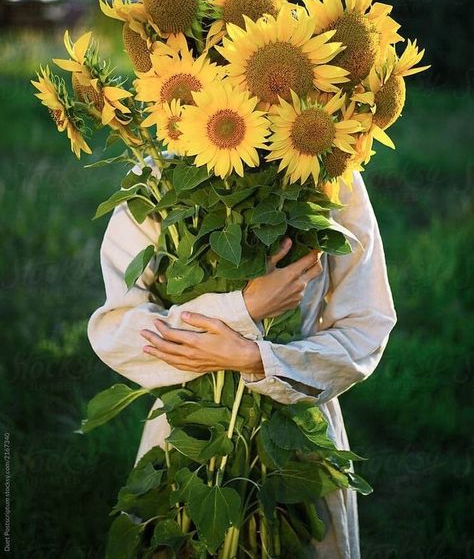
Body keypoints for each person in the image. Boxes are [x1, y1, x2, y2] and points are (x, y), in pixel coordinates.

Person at [87, 157, 397, 558]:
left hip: (296, 422)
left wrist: (258, 359)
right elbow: (117, 330)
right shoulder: (159, 178)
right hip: (188, 426)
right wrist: (243, 309)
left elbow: (366, 328)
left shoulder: (329, 167)